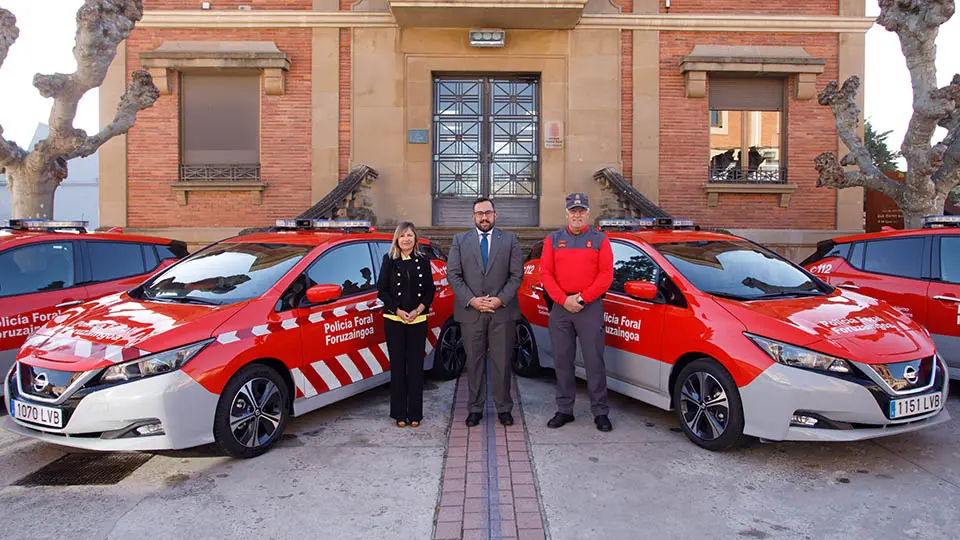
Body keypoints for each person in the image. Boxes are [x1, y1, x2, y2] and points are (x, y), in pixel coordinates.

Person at [539, 193, 614, 432]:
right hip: (561, 308)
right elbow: (546, 274)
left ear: (588, 213)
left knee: (594, 362)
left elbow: (605, 276)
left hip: (589, 306)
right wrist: (563, 299)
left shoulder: (601, 240)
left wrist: (581, 298)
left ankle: (600, 411)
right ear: (567, 213)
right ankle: (564, 410)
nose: (577, 215)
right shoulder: (553, 240)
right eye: (573, 211)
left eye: (581, 210)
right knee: (562, 361)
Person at [447, 197, 524, 427]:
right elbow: (453, 275)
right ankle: (475, 408)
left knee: (502, 363)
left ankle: (504, 408)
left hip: (502, 313)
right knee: (474, 362)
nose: (484, 217)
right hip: (472, 313)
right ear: (473, 217)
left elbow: (516, 275)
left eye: (488, 213)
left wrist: (499, 300)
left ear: (495, 215)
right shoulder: (460, 240)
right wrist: (472, 300)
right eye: (479, 213)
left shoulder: (509, 239)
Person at [377, 222, 436, 428]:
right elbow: (381, 290)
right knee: (399, 367)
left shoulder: (423, 260)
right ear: (397, 239)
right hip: (395, 321)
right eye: (402, 236)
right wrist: (397, 310)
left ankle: (416, 414)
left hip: (418, 320)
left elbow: (430, 290)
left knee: (416, 367)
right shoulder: (389, 260)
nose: (406, 239)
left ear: (415, 238)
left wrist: (419, 310)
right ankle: (399, 414)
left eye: (410, 235)